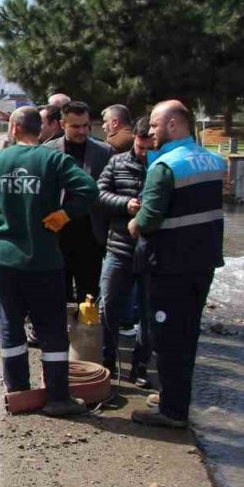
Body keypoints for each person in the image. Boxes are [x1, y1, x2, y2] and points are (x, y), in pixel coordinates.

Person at [0, 106, 98, 417]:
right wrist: (65, 214)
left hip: (4, 257)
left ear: (14, 129)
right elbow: (88, 188)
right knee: (52, 328)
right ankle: (58, 398)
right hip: (44, 258)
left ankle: (18, 391)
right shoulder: (54, 159)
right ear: (42, 130)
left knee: (10, 323)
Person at [128, 100, 226, 428]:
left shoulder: (166, 167)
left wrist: (134, 223)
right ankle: (174, 396)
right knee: (187, 334)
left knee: (168, 336)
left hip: (171, 266)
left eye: (155, 125)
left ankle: (172, 411)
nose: (150, 131)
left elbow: (150, 217)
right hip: (203, 262)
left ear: (172, 126)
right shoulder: (213, 161)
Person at [96, 116, 154, 382]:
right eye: (141, 148)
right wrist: (124, 204)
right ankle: (108, 360)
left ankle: (140, 366)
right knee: (108, 305)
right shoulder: (117, 162)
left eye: (149, 149)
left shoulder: (163, 165)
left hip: (153, 251)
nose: (144, 154)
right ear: (135, 142)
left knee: (148, 311)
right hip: (119, 247)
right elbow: (100, 192)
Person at [44, 101, 112, 305]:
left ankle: (86, 334)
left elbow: (108, 191)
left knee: (89, 294)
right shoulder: (47, 152)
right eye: (75, 126)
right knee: (57, 292)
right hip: (57, 233)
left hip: (91, 234)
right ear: (62, 124)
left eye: (85, 125)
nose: (82, 131)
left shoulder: (104, 152)